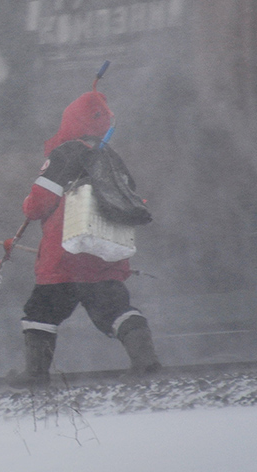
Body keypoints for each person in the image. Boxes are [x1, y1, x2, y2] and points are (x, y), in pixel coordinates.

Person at [12, 89, 161, 387]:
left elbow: (38, 203)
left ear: (71, 121)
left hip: (66, 253)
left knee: (41, 310)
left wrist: (27, 205)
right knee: (115, 308)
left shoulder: (65, 152)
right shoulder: (111, 157)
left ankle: (35, 374)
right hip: (105, 250)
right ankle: (145, 362)